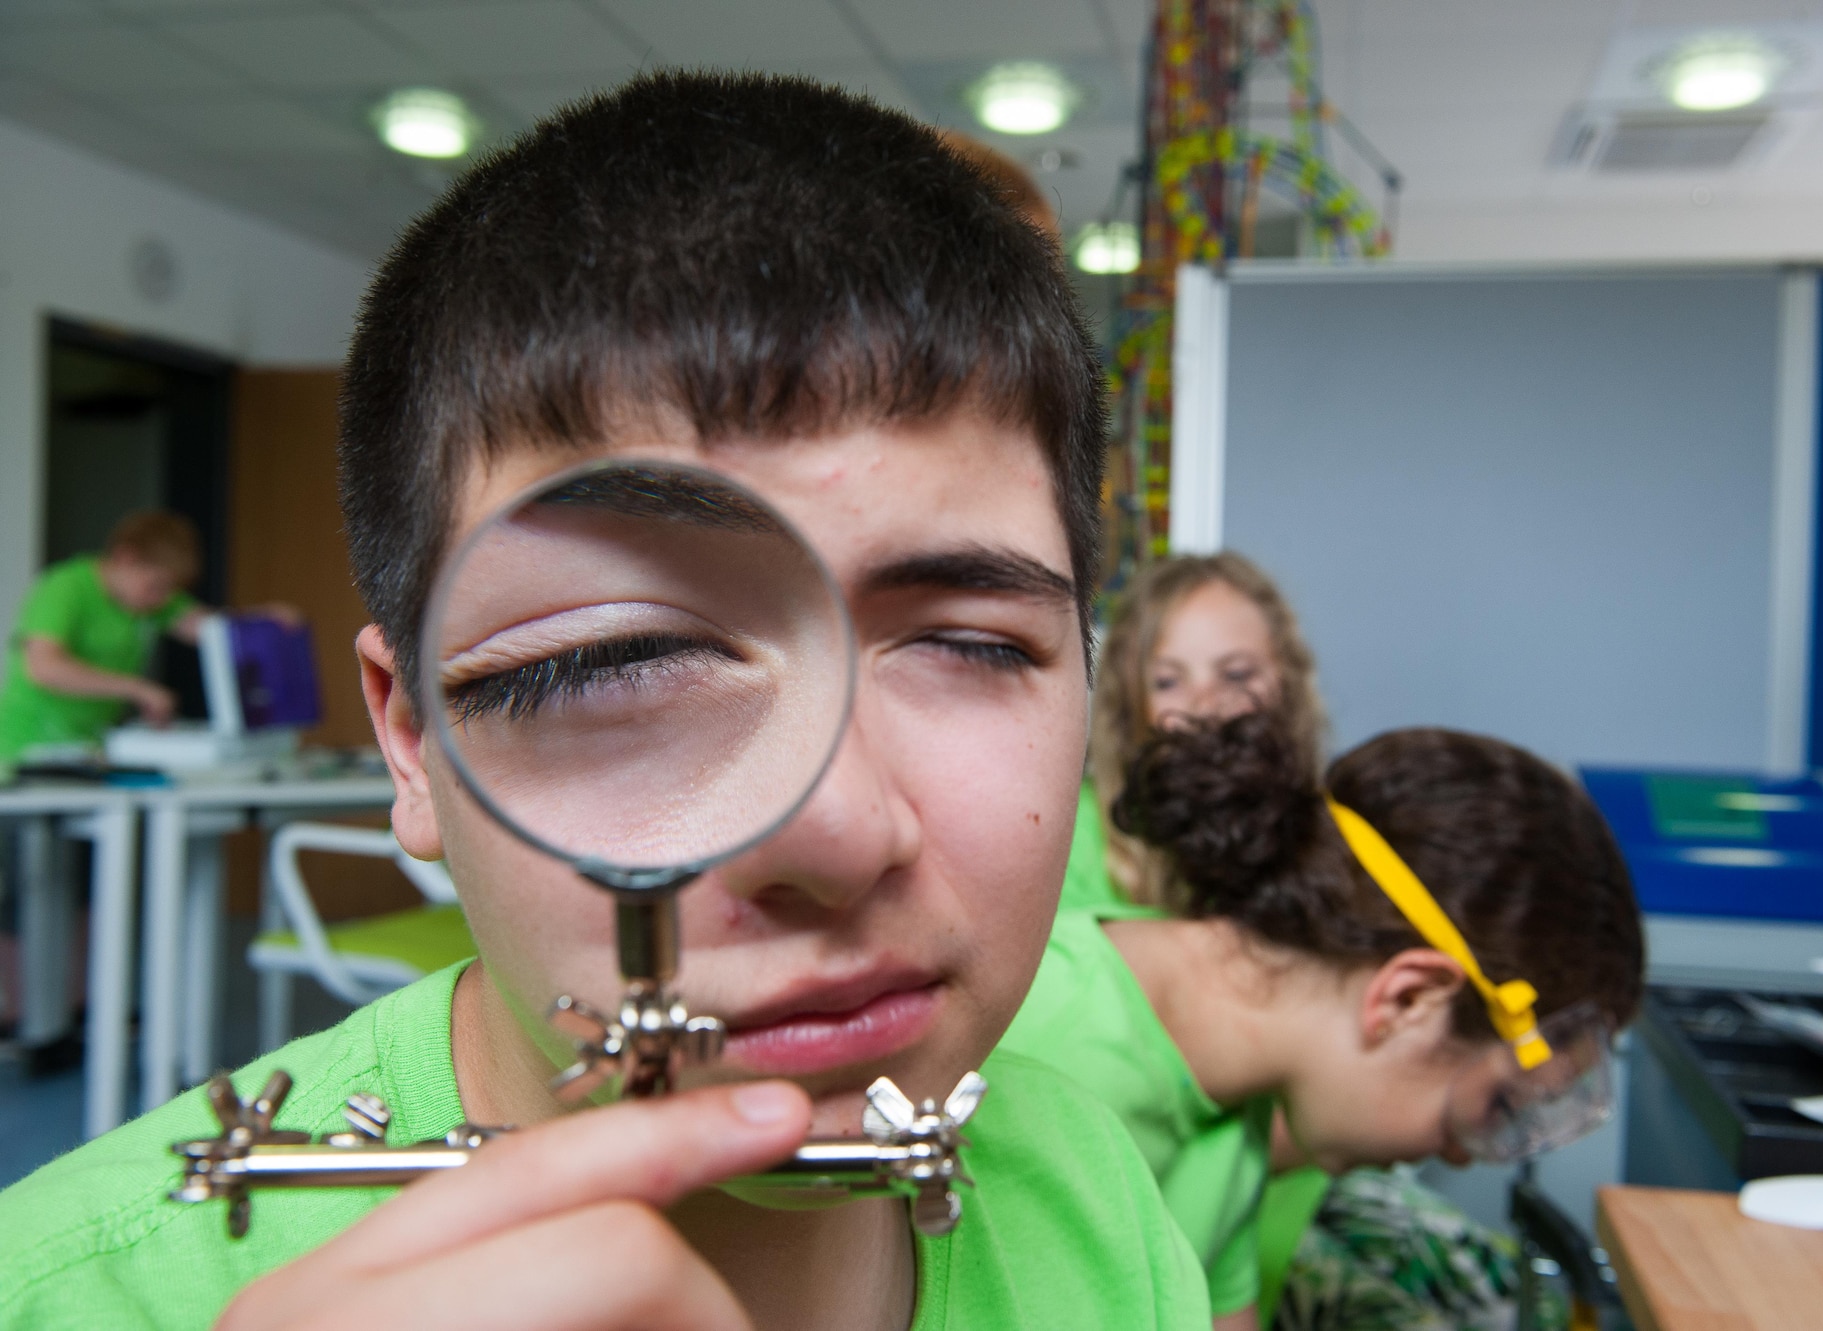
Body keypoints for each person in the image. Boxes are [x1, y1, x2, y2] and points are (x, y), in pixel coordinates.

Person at [0, 72, 1209, 1329]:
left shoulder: (1093, 1189)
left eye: (968, 644)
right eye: (616, 661)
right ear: (410, 741)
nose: (838, 826)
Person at [1002, 715, 1644, 1331]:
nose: (1456, 1154)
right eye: (1494, 1103)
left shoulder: (1237, 1124)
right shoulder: (1023, 1041)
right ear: (1408, 998)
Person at [1068, 552, 1328, 914]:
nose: (1205, 708)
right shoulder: (1065, 839)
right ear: (1128, 703)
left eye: (1236, 675)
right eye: (1167, 682)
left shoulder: (1334, 844)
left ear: (1287, 686)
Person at [0, 511, 206, 763]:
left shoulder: (150, 603)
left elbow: (212, 631)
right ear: (125, 558)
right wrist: (136, 689)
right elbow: (44, 668)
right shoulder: (64, 587)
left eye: (170, 590)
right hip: (27, 749)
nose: (162, 600)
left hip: (89, 748)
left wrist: (262, 621)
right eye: (156, 586)